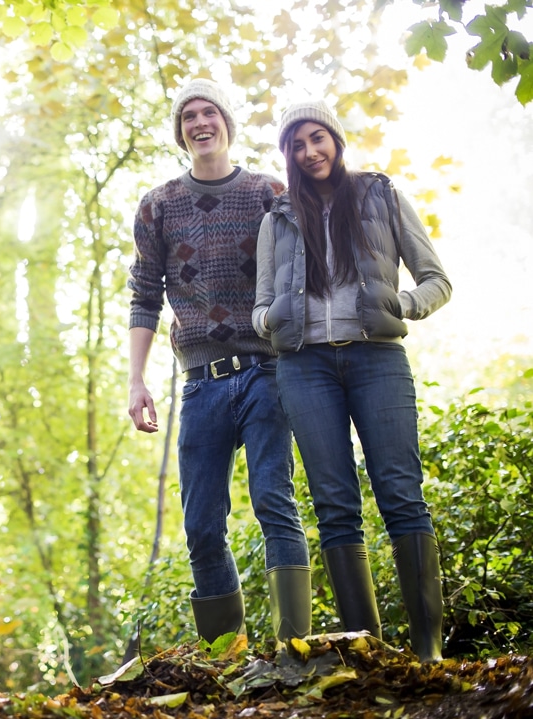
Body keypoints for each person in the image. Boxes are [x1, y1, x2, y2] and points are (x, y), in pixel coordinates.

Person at [252, 100, 451, 662]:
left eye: (318, 138)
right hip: (304, 367)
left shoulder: (381, 196)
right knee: (335, 504)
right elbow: (260, 304)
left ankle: (427, 649)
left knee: (400, 493)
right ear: (287, 155)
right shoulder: (278, 217)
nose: (310, 151)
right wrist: (269, 321)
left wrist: (404, 304)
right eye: (297, 144)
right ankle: (370, 653)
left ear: (336, 140)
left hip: (377, 360)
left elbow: (437, 279)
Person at [128, 79, 312, 645]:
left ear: (227, 125)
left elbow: (301, 275)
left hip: (266, 373)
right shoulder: (158, 205)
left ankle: (293, 648)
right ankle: (226, 658)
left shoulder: (267, 192)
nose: (200, 123)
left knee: (272, 500)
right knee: (201, 524)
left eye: (210, 113)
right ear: (181, 132)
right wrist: (136, 381)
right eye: (189, 117)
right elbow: (143, 295)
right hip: (201, 383)